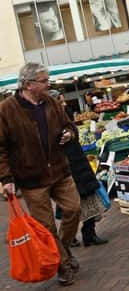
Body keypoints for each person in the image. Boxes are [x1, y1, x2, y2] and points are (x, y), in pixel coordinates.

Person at [0, 63, 81, 286]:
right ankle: (63, 266)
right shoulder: (6, 109)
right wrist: (6, 179)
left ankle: (62, 250)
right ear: (28, 84)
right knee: (46, 226)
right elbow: (1, 148)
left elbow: (69, 126)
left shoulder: (52, 102)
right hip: (32, 178)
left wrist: (69, 134)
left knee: (74, 210)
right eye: (44, 81)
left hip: (59, 170)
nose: (49, 84)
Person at [50, 90, 108, 249]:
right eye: (60, 102)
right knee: (70, 205)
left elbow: (73, 130)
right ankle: (72, 236)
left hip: (78, 162)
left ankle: (89, 233)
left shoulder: (65, 115)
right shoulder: (48, 121)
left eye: (63, 101)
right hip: (65, 166)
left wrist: (71, 134)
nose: (64, 104)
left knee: (88, 199)